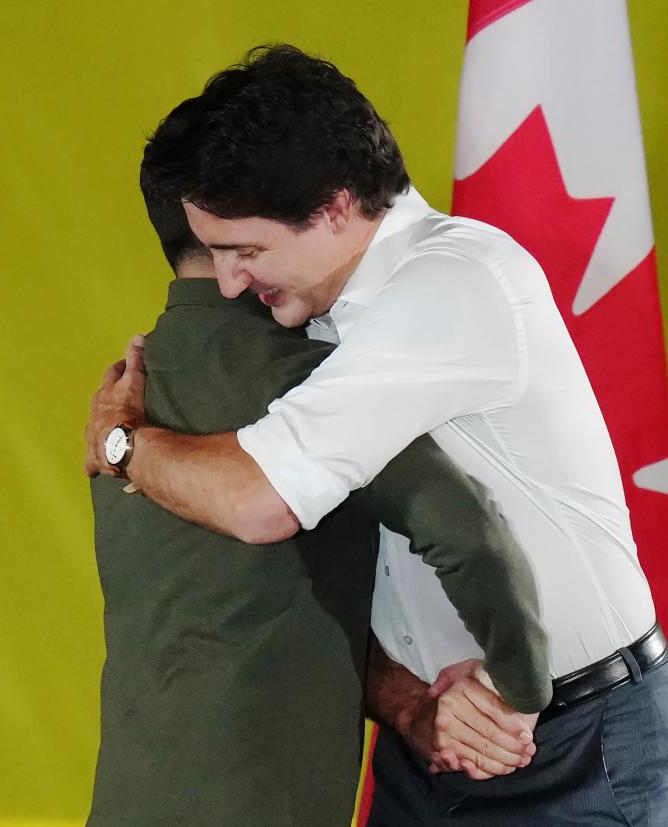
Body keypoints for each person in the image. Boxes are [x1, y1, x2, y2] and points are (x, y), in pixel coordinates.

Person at [84, 44, 668, 825]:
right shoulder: (311, 325)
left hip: (578, 749)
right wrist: (411, 706)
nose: (232, 282)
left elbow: (259, 500)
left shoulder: (452, 284)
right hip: (431, 746)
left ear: (336, 206)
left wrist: (124, 445)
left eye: (246, 250)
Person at [85, 185, 550, 825]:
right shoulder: (312, 380)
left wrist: (411, 708)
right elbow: (467, 535)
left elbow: (258, 608)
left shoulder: (123, 405)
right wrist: (523, 690)